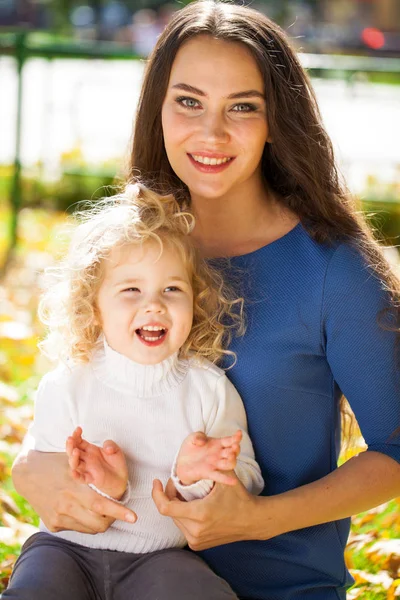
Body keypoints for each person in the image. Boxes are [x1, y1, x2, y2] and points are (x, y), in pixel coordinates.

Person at [11, 1, 400, 599]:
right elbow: (78, 389)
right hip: (102, 575)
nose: (211, 133)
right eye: (188, 102)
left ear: (277, 122)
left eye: (243, 107)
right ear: (158, 110)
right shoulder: (136, 246)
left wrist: (258, 519)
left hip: (275, 589)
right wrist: (32, 473)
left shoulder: (333, 269)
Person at [4, 184, 263, 599]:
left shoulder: (209, 389)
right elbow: (47, 482)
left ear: (195, 302)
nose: (154, 306)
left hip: (161, 557)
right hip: (65, 549)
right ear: (94, 306)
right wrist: (100, 485)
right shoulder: (69, 383)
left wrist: (195, 477)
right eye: (131, 290)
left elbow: (248, 479)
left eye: (172, 290)